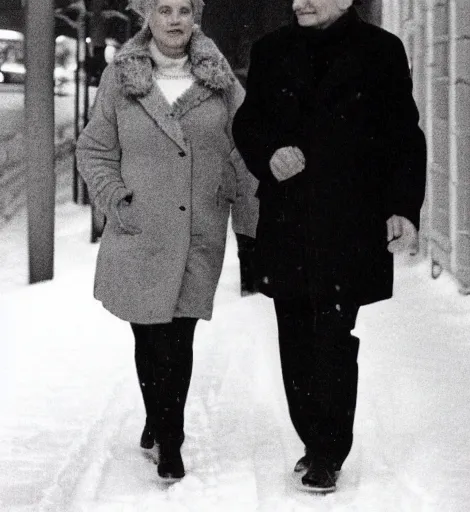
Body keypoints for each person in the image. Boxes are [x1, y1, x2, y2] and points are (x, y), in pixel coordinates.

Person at [233, 0, 426, 493]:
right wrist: (269, 154)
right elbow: (248, 123)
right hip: (288, 218)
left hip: (350, 223)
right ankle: (311, 437)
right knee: (294, 335)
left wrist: (404, 206)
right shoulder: (271, 50)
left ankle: (328, 450)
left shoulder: (381, 51)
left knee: (333, 336)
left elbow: (405, 134)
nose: (301, 2)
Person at [76, 0, 258, 481]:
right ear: (147, 18)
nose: (175, 20)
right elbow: (95, 148)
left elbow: (245, 146)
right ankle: (160, 418)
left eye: (183, 9)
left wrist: (247, 220)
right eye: (164, 10)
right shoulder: (120, 77)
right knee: (149, 335)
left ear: (194, 16)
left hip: (199, 229)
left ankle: (169, 438)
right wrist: (116, 200)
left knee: (179, 335)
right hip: (140, 230)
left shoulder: (218, 77)